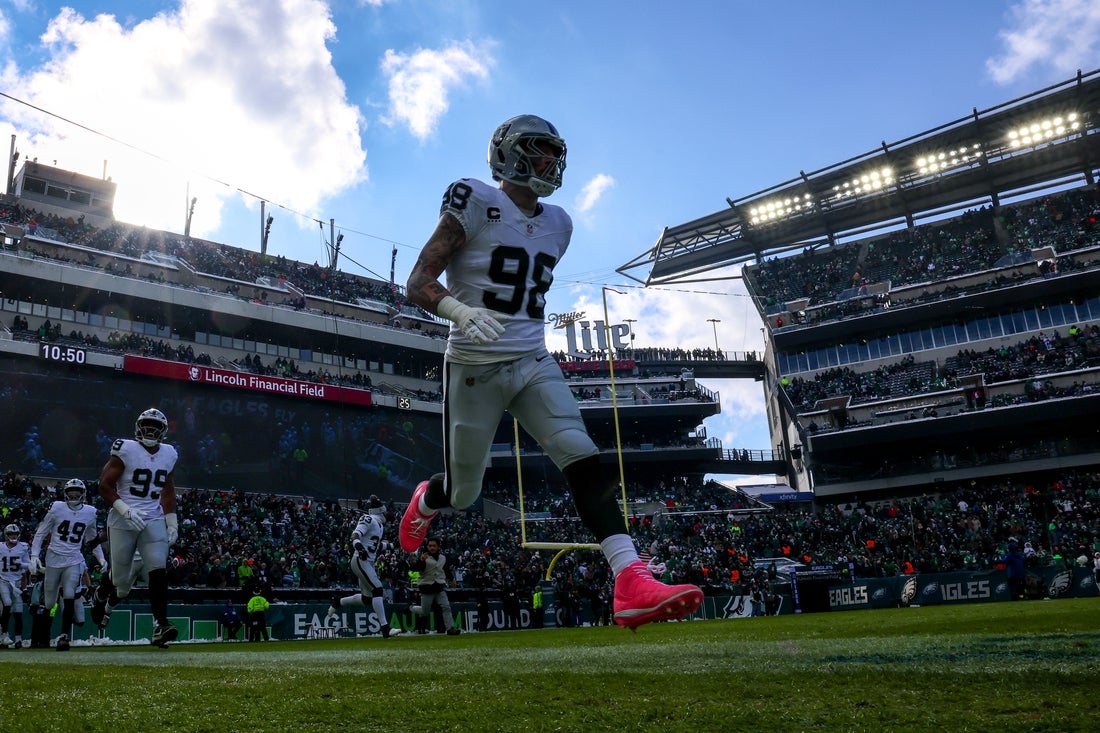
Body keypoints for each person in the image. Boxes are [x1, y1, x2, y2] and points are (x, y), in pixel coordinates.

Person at [399, 114, 703, 629]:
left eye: (554, 153)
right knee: (465, 493)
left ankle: (630, 579)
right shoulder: (473, 198)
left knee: (581, 453)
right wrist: (459, 311)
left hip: (532, 360)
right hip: (473, 365)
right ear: (508, 153)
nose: (549, 162)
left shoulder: (560, 223)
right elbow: (417, 280)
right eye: (539, 151)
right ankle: (428, 499)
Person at [89, 408, 181, 647]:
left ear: (163, 431)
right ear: (138, 427)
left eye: (156, 426)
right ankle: (101, 592)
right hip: (123, 518)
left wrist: (171, 521)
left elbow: (168, 489)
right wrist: (125, 510)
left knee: (158, 568)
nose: (150, 429)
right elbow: (104, 485)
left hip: (152, 517)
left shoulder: (169, 453)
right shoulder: (126, 449)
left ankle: (161, 625)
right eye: (147, 425)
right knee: (120, 579)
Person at [29, 479, 106, 651]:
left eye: (77, 493)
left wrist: (101, 558)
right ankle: (41, 635)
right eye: (71, 492)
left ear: (83, 494)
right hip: (54, 558)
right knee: (49, 602)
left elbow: (92, 540)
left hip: (73, 558)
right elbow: (41, 532)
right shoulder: (57, 508)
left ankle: (63, 636)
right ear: (65, 494)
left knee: (69, 594)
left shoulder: (90, 512)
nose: (74, 496)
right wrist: (34, 555)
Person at [327, 495, 402, 639]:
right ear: (379, 511)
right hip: (361, 560)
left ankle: (339, 601)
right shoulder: (368, 519)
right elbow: (355, 535)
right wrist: (359, 547)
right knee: (378, 589)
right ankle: (385, 628)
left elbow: (375, 545)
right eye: (384, 511)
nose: (386, 514)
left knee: (367, 599)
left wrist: (393, 546)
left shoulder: (379, 525)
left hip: (367, 562)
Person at [408, 536, 460, 635]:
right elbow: (416, 568)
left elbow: (446, 569)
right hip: (427, 587)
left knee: (446, 607)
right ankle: (411, 608)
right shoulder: (424, 557)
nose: (432, 548)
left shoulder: (443, 558)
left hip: (439, 586)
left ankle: (450, 628)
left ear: (438, 547)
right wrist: (421, 560)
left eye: (434, 546)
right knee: (425, 611)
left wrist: (452, 579)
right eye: (430, 546)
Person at [0, 523, 31, 648]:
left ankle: (18, 639)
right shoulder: (1, 547)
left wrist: (24, 588)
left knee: (18, 611)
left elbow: (28, 565)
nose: (13, 536)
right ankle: (4, 634)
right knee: (7, 603)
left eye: (15, 534)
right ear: (6, 535)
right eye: (11, 534)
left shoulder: (23, 547)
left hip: (17, 582)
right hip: (3, 580)